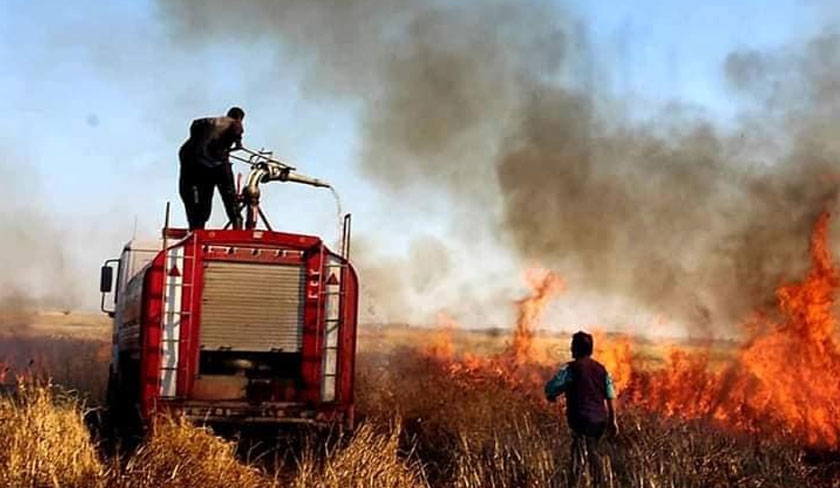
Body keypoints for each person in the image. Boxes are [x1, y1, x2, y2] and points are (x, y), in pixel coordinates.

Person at [545, 331, 618, 484]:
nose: (571, 349)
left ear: (576, 349)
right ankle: (595, 480)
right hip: (600, 421)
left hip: (581, 419)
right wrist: (613, 421)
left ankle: (589, 481)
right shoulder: (602, 369)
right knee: (589, 449)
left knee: (580, 456)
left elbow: (553, 387)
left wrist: (551, 395)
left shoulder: (571, 368)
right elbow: (610, 396)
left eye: (572, 346)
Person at [178, 107, 246, 230]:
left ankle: (198, 229)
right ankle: (237, 225)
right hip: (216, 164)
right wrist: (238, 142)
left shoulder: (207, 123)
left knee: (204, 200)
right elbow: (237, 129)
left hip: (201, 167)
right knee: (229, 197)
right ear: (239, 117)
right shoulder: (234, 122)